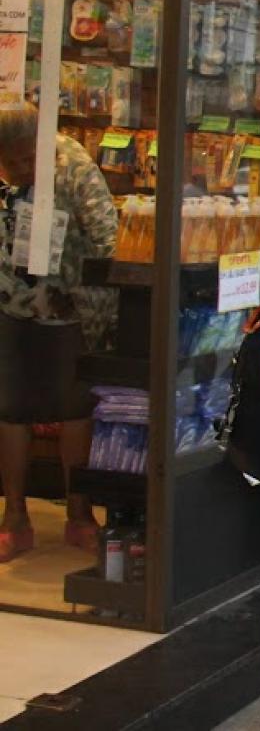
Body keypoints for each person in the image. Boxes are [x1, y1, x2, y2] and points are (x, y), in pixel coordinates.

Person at [0, 107, 117, 563]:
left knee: (74, 408)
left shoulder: (73, 164)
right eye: (10, 162)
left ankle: (79, 513)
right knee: (10, 410)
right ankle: (14, 516)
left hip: (70, 308)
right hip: (9, 306)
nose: (19, 170)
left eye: (27, 160)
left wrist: (86, 288)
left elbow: (108, 235)